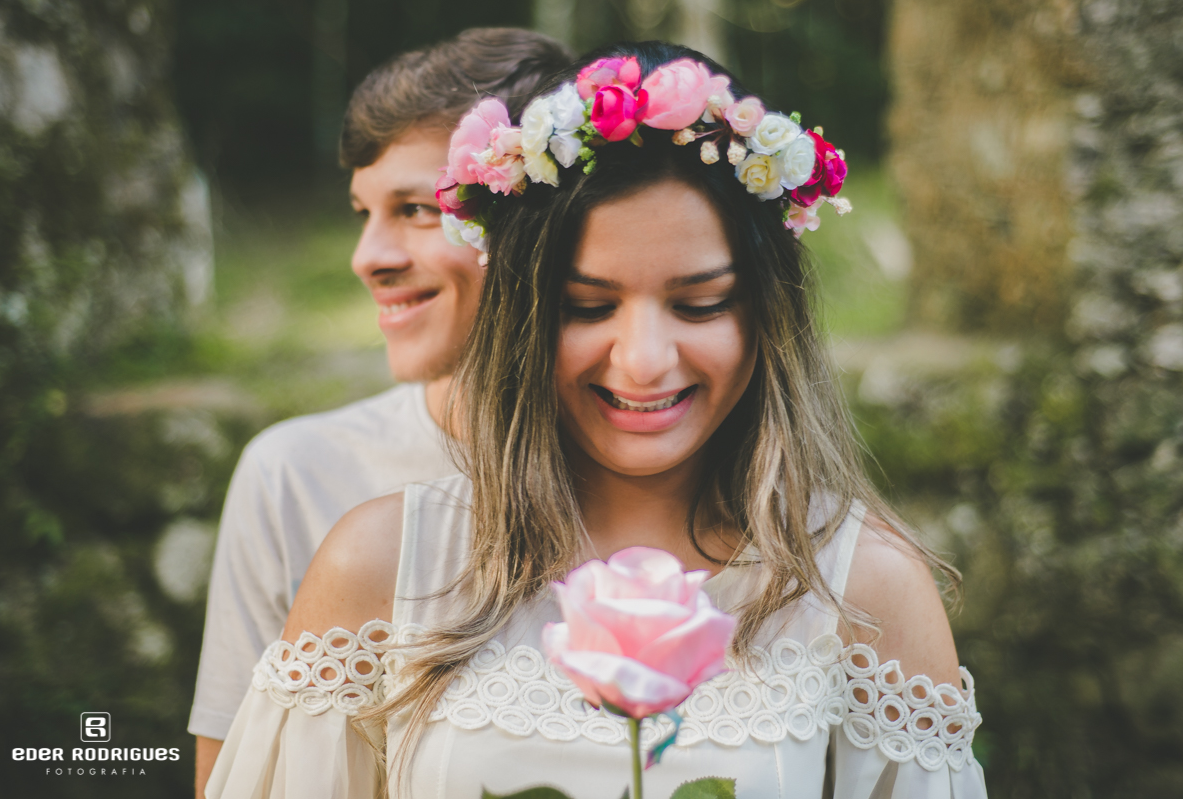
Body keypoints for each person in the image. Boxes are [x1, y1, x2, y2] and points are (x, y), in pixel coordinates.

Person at [206, 41, 988, 798]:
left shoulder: (864, 588)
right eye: (587, 306)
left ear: (766, 318)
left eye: (700, 303)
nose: (644, 359)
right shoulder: (377, 564)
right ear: (523, 316)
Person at [188, 28, 573, 796]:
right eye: (364, 210)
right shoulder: (293, 475)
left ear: (540, 222)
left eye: (417, 209)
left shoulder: (654, 468)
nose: (368, 255)